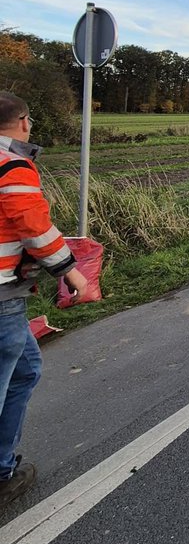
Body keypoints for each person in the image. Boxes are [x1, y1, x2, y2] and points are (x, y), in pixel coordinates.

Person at [0, 92, 89, 509]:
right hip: (2, 297)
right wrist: (71, 272)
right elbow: (35, 229)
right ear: (21, 122)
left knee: (26, 370)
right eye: (30, 120)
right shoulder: (13, 166)